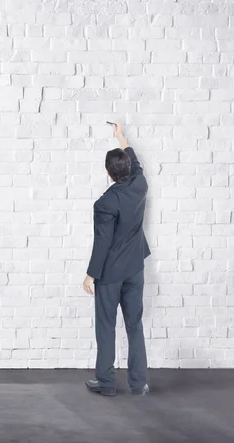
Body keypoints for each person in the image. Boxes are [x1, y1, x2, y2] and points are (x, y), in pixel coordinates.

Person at [82, 123, 151, 397]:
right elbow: (136, 162)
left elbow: (102, 243)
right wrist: (121, 137)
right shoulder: (140, 184)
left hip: (110, 273)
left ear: (108, 172)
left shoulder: (105, 203)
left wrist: (90, 275)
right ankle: (138, 383)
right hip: (135, 268)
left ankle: (107, 383)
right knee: (134, 325)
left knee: (106, 326)